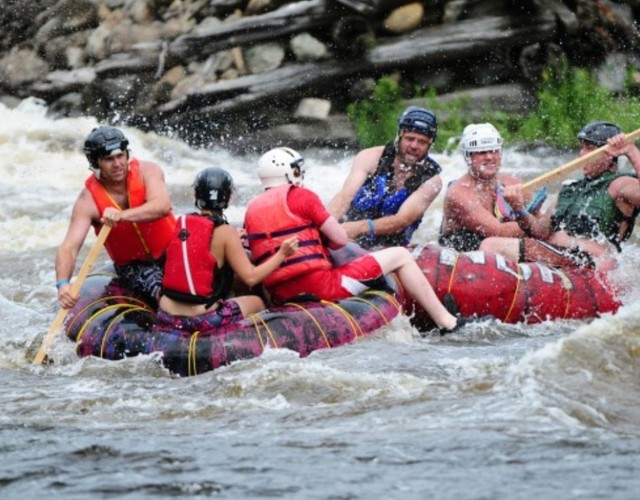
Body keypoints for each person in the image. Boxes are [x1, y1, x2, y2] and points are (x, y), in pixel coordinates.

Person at [244, 146, 485, 334]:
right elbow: (338, 238)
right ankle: (448, 322)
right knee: (400, 255)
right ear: (291, 172)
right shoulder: (303, 197)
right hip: (322, 287)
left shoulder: (251, 211)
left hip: (281, 295)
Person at [155, 167, 298, 332]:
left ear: (197, 195)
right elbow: (251, 278)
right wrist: (282, 254)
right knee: (257, 302)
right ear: (227, 198)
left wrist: (231, 239)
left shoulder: (181, 223)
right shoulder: (226, 232)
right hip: (202, 318)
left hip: (165, 314)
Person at [481, 121, 640, 266]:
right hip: (557, 257)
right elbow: (541, 232)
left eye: (589, 148)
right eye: (582, 147)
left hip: (590, 264)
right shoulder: (570, 189)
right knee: (490, 245)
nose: (581, 154)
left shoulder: (620, 184)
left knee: (490, 246)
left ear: (610, 155)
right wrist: (518, 208)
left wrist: (631, 152)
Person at [55, 125, 176, 309]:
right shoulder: (87, 201)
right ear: (96, 162)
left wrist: (122, 216)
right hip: (135, 266)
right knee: (167, 297)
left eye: (120, 156)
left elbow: (162, 206)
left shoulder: (149, 171)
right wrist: (62, 284)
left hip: (172, 249)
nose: (117, 163)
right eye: (109, 159)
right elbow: (69, 247)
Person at [327, 106, 442, 248]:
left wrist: (358, 228)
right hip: (347, 232)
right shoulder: (370, 157)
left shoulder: (431, 181)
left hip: (387, 247)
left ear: (430, 145)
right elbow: (344, 197)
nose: (414, 146)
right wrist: (327, 226)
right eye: (409, 138)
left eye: (422, 142)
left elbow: (401, 221)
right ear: (399, 136)